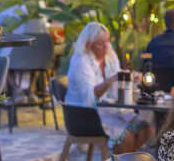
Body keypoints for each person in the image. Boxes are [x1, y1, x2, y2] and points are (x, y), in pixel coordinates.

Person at [65, 22, 153, 153]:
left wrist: (131, 79)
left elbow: (117, 84)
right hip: (86, 115)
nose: (107, 46)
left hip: (110, 109)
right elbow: (90, 99)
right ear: (89, 45)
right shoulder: (81, 62)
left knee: (146, 129)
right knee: (126, 137)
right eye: (101, 43)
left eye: (107, 41)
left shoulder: (110, 57)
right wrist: (111, 80)